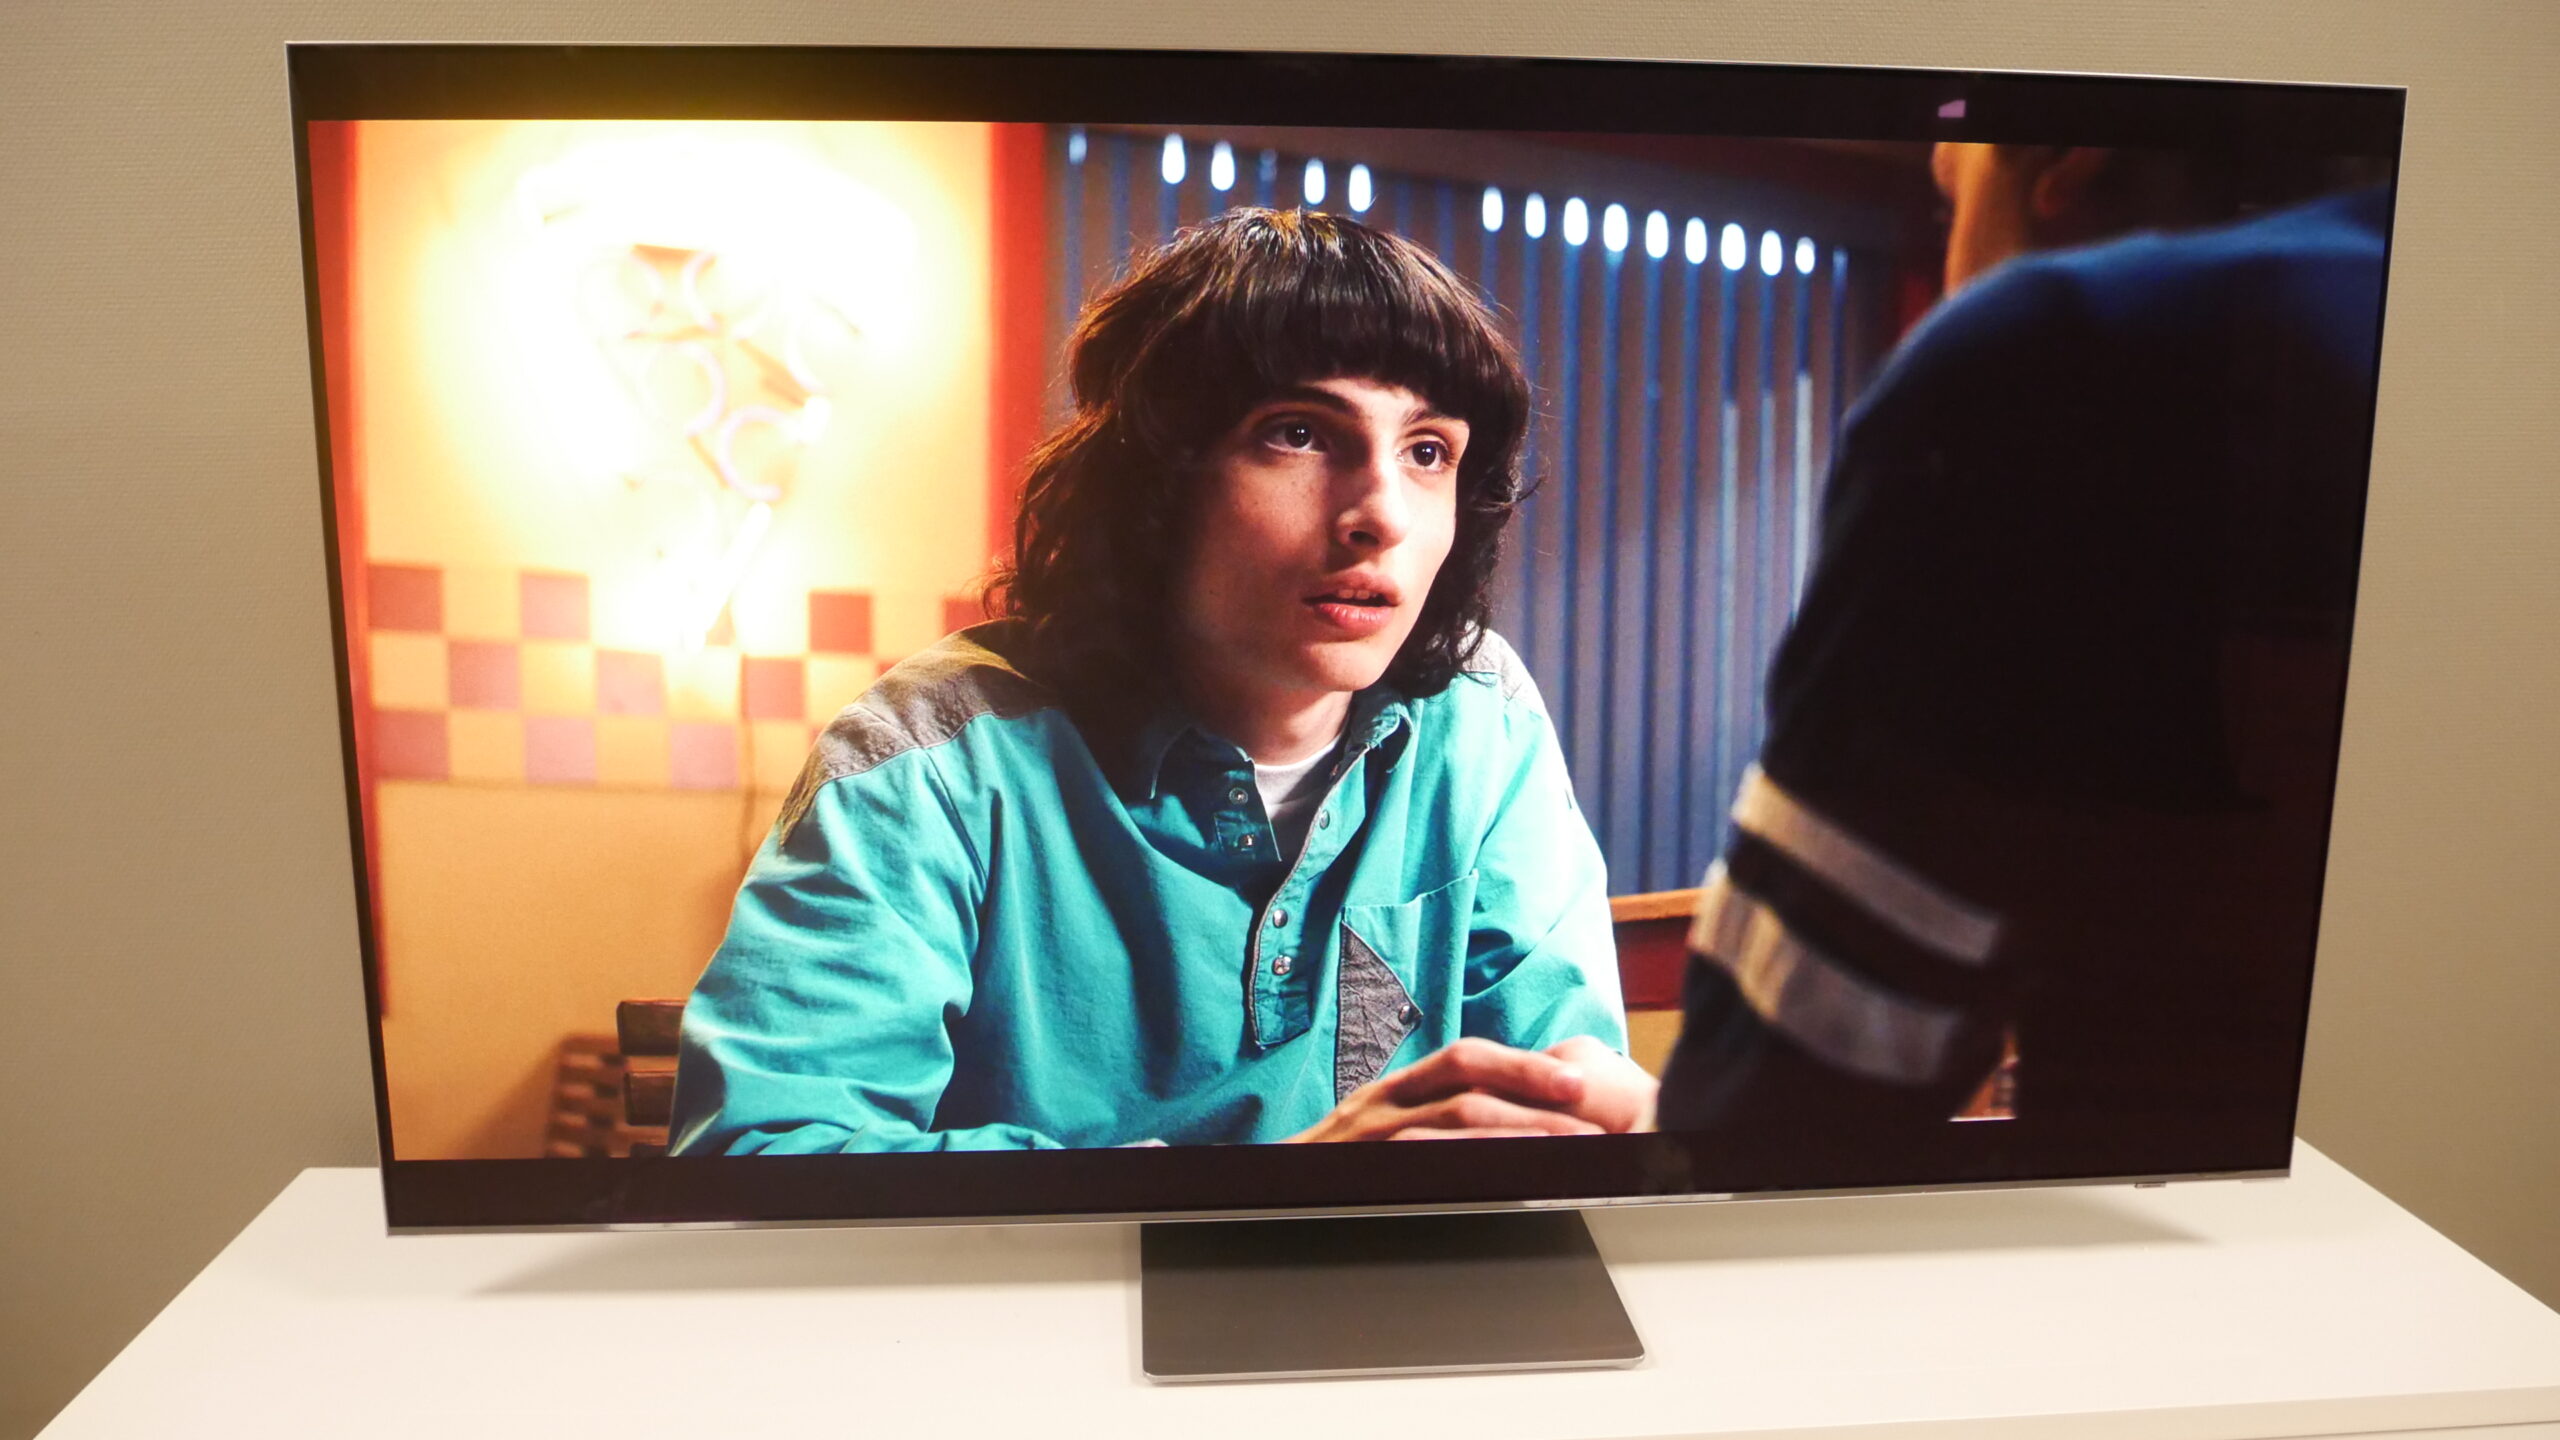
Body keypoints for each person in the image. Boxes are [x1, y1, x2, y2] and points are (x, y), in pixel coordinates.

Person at [673, 208, 1657, 1154]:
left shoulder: (1481, 715)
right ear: (1154, 482)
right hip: (1058, 1282)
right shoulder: (929, 756)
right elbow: (765, 1152)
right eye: (1300, 434)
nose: (1382, 516)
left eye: (1427, 452)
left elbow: (1552, 1097)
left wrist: (1614, 1124)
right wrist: (1266, 1204)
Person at [1655, 146, 2392, 1161]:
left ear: (2063, 174)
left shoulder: (2059, 357)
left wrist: (1642, 1129)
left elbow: (1774, 1125)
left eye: (1950, 197)